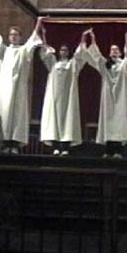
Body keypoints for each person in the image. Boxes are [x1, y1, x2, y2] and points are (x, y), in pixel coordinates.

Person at [0, 13, 44, 154]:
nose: (14, 36)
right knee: (4, 113)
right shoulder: (4, 50)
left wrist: (39, 22)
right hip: (4, 89)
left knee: (16, 115)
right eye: (11, 34)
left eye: (16, 34)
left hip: (18, 90)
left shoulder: (23, 51)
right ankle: (4, 144)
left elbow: (33, 38)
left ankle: (14, 145)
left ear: (20, 37)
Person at [84, 26, 127, 158]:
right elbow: (95, 55)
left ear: (120, 52)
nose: (113, 51)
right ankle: (108, 150)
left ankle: (118, 151)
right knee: (108, 122)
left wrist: (126, 38)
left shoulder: (124, 65)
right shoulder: (104, 64)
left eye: (116, 49)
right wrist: (93, 39)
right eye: (112, 49)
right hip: (108, 99)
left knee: (118, 123)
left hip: (119, 98)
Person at [39, 27, 89, 156]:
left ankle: (65, 147)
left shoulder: (72, 65)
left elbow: (80, 55)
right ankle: (56, 146)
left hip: (68, 98)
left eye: (66, 50)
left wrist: (83, 38)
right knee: (54, 121)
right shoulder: (53, 64)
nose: (63, 51)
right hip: (55, 97)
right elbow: (46, 52)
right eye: (61, 50)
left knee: (68, 121)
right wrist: (44, 34)